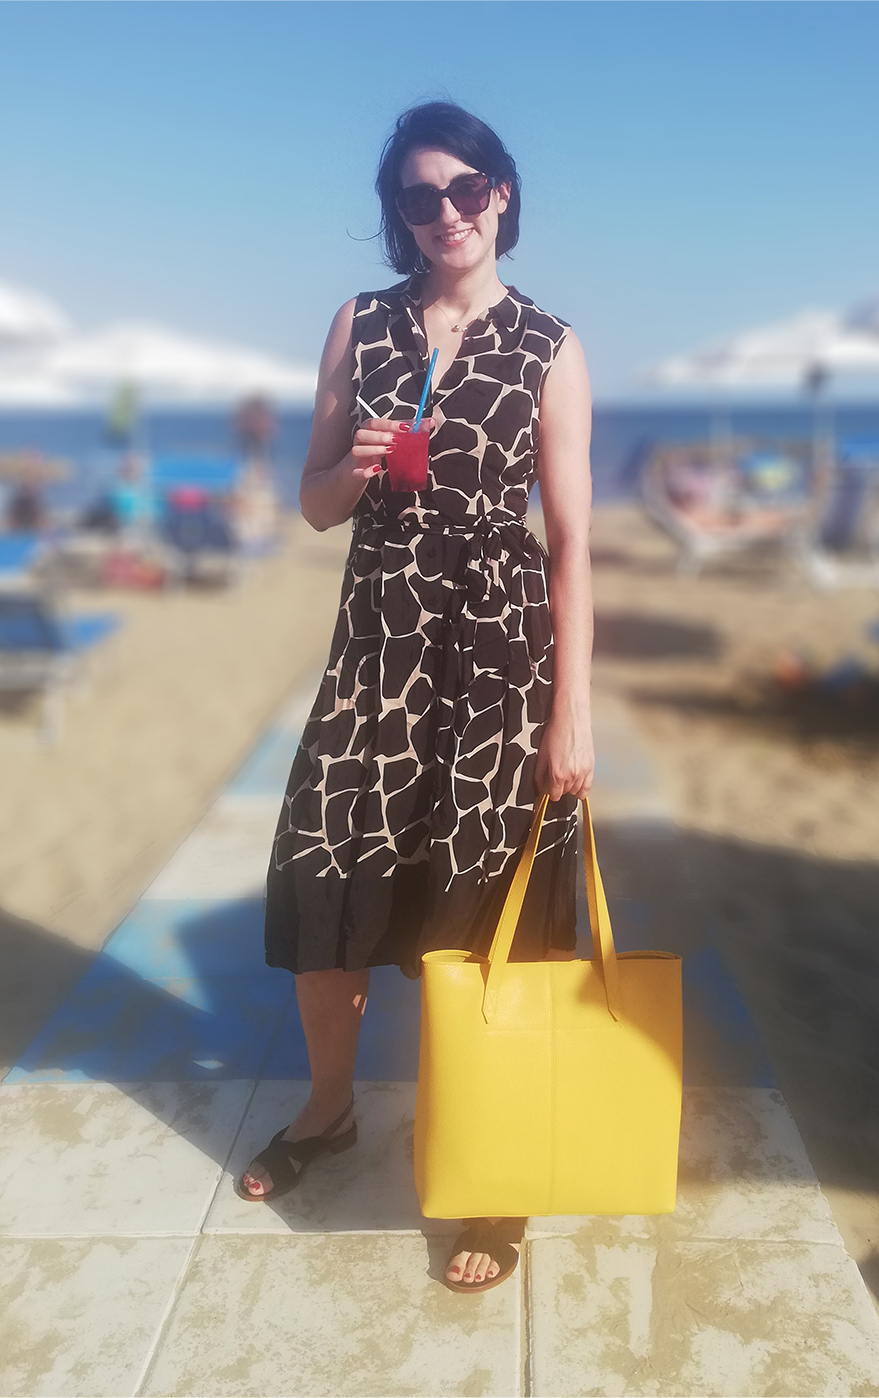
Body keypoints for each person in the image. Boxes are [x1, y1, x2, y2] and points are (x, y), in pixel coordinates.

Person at [237, 101, 595, 1293]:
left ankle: (488, 1161)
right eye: (417, 195)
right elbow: (315, 502)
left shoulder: (549, 345)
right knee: (328, 877)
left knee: (478, 909)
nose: (443, 210)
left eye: (465, 187)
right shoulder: (362, 323)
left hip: (496, 664)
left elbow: (574, 545)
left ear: (502, 193)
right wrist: (357, 458)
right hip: (377, 649)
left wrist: (573, 712)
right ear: (398, 212)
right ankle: (329, 1112)